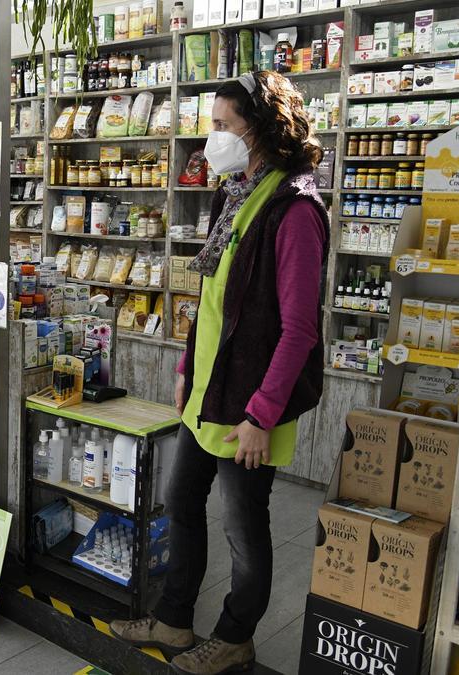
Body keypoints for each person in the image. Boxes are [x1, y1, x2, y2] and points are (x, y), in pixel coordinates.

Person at [110, 71, 328, 675]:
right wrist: (184, 364)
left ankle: (236, 636)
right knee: (181, 499)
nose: (212, 140)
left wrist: (262, 413)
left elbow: (299, 330)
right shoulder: (231, 193)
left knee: (243, 525)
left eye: (222, 126)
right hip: (209, 386)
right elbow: (212, 297)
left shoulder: (296, 210)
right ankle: (175, 621)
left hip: (252, 400)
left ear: (259, 130)